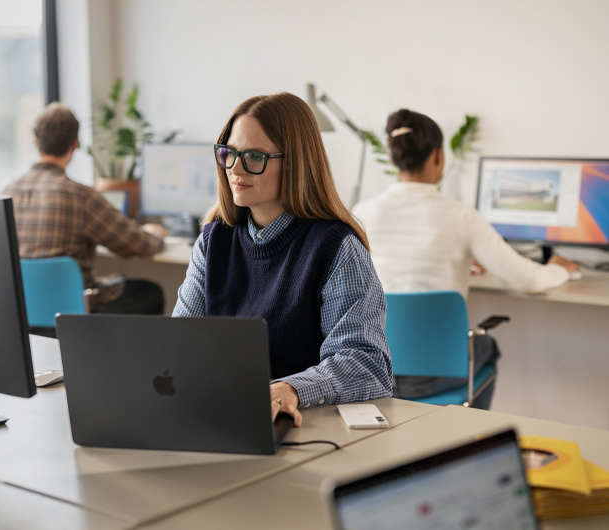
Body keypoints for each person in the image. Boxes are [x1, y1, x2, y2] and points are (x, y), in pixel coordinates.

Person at [172, 92, 393, 428]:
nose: (235, 168)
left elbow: (365, 363)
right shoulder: (213, 240)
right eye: (228, 154)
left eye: (254, 157)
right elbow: (180, 342)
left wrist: (291, 388)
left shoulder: (336, 247)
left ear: (295, 162)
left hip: (302, 425)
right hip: (221, 418)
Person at [352, 108, 580, 408]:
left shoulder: (361, 213)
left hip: (372, 369)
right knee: (487, 347)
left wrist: (456, 261)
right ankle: (467, 440)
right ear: (438, 157)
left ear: (394, 160)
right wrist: (557, 270)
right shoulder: (461, 217)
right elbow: (529, 280)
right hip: (436, 373)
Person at [3, 103, 169, 314]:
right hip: (72, 311)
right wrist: (153, 234)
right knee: (150, 293)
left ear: (36, 142)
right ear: (75, 145)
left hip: (22, 310)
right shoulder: (79, 195)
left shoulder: (6, 192)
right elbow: (136, 244)